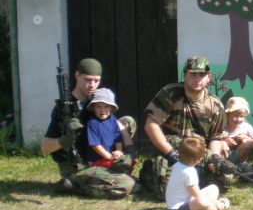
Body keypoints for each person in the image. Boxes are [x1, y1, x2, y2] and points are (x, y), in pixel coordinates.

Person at [40, 58, 137, 198]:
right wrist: (64, 140)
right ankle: (74, 183)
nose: (92, 85)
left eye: (96, 81)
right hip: (79, 165)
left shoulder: (95, 101)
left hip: (102, 154)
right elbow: (44, 147)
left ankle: (113, 169)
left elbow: (117, 125)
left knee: (128, 121)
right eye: (88, 80)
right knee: (129, 184)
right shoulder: (64, 110)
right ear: (77, 75)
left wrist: (129, 150)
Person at [143, 56, 226, 193]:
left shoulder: (216, 105)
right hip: (171, 150)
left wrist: (214, 158)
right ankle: (148, 172)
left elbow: (216, 137)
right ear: (185, 74)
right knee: (166, 189)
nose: (197, 79)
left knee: (222, 182)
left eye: (202, 75)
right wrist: (171, 154)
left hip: (199, 154)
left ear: (208, 77)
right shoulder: (170, 93)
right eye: (193, 74)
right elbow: (150, 125)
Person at [165, 137, 230, 210]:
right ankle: (217, 208)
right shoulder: (189, 172)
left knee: (213, 188)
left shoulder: (177, 165)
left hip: (183, 204)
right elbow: (197, 196)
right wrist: (212, 202)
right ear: (198, 159)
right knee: (201, 201)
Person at [85, 88, 124, 168]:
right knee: (117, 168)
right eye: (98, 107)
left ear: (111, 108)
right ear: (93, 108)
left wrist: (118, 151)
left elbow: (118, 137)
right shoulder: (92, 123)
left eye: (106, 106)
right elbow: (95, 144)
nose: (102, 110)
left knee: (128, 162)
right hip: (97, 160)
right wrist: (108, 156)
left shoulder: (112, 119)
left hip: (111, 156)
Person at [221, 96, 253, 166]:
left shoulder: (246, 127)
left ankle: (239, 165)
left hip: (239, 153)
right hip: (225, 152)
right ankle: (223, 164)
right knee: (222, 143)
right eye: (235, 116)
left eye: (241, 116)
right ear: (227, 115)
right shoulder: (222, 125)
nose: (238, 119)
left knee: (247, 143)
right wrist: (224, 141)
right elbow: (215, 137)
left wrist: (246, 137)